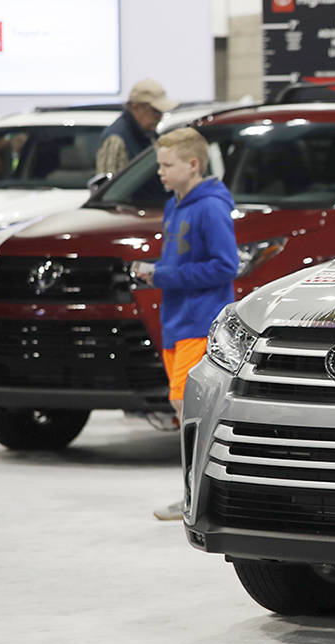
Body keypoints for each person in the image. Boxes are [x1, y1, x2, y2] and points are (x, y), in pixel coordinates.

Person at [131, 128, 237, 520]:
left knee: (190, 411)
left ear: (192, 164)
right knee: (184, 410)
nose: (159, 171)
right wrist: (160, 274)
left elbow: (226, 266)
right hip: (176, 321)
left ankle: (195, 497)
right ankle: (193, 494)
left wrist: (162, 276)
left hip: (198, 321)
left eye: (166, 164)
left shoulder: (210, 207)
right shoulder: (175, 204)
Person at [95, 79, 177, 176]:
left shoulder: (148, 135)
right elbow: (109, 186)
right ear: (135, 107)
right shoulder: (116, 140)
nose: (159, 117)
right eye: (154, 111)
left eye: (161, 112)